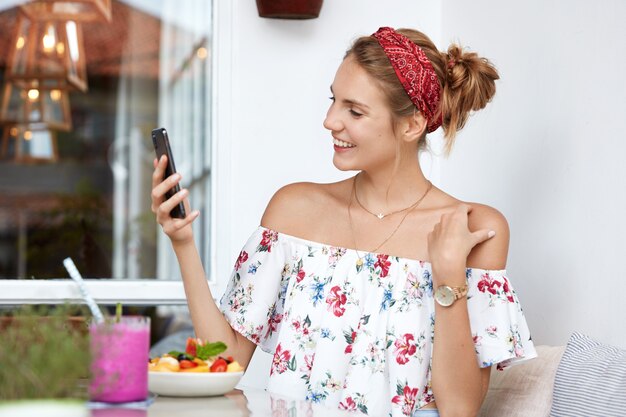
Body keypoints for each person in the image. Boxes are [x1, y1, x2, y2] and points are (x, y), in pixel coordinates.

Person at [151, 26, 536, 417]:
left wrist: (449, 278)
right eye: (334, 100)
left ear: (412, 124)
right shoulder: (294, 210)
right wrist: (183, 244)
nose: (330, 120)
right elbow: (227, 361)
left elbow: (459, 410)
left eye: (354, 110)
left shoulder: (473, 228)